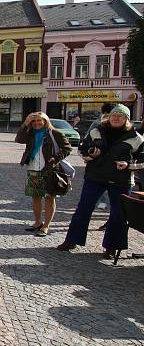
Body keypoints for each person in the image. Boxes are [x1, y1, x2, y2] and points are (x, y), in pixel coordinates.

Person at [57, 105, 144, 257]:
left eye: (121, 116)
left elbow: (142, 160)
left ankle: (111, 246)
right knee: (83, 209)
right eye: (114, 115)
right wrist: (90, 154)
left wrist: (128, 165)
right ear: (109, 117)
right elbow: (82, 148)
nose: (117, 118)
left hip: (120, 180)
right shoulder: (96, 130)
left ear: (127, 119)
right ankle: (72, 240)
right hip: (95, 176)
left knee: (118, 215)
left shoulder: (136, 138)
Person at [15, 112, 71, 237]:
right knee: (35, 196)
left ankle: (46, 225)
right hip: (33, 167)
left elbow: (67, 148)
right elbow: (19, 139)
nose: (36, 123)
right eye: (33, 121)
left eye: (39, 120)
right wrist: (25, 123)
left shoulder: (54, 133)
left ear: (45, 121)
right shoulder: (30, 133)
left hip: (49, 169)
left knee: (49, 197)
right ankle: (37, 222)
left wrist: (55, 158)